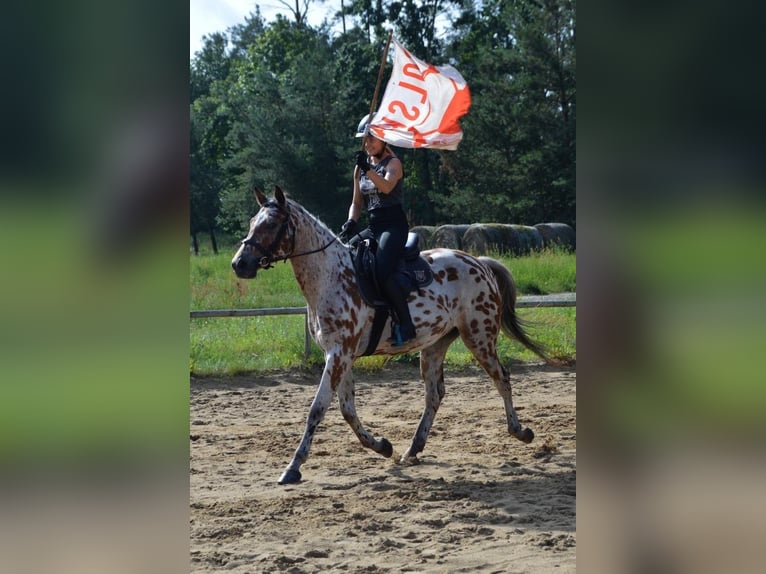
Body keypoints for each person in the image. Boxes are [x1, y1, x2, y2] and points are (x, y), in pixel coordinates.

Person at [338, 115, 416, 346]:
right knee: (347, 257)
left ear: (383, 139)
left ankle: (406, 323)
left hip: (394, 226)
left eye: (371, 138)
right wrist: (351, 221)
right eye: (365, 139)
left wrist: (367, 169)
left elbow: (386, 187)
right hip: (373, 225)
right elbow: (357, 201)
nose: (367, 143)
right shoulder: (360, 168)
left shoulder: (394, 164)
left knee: (381, 270)